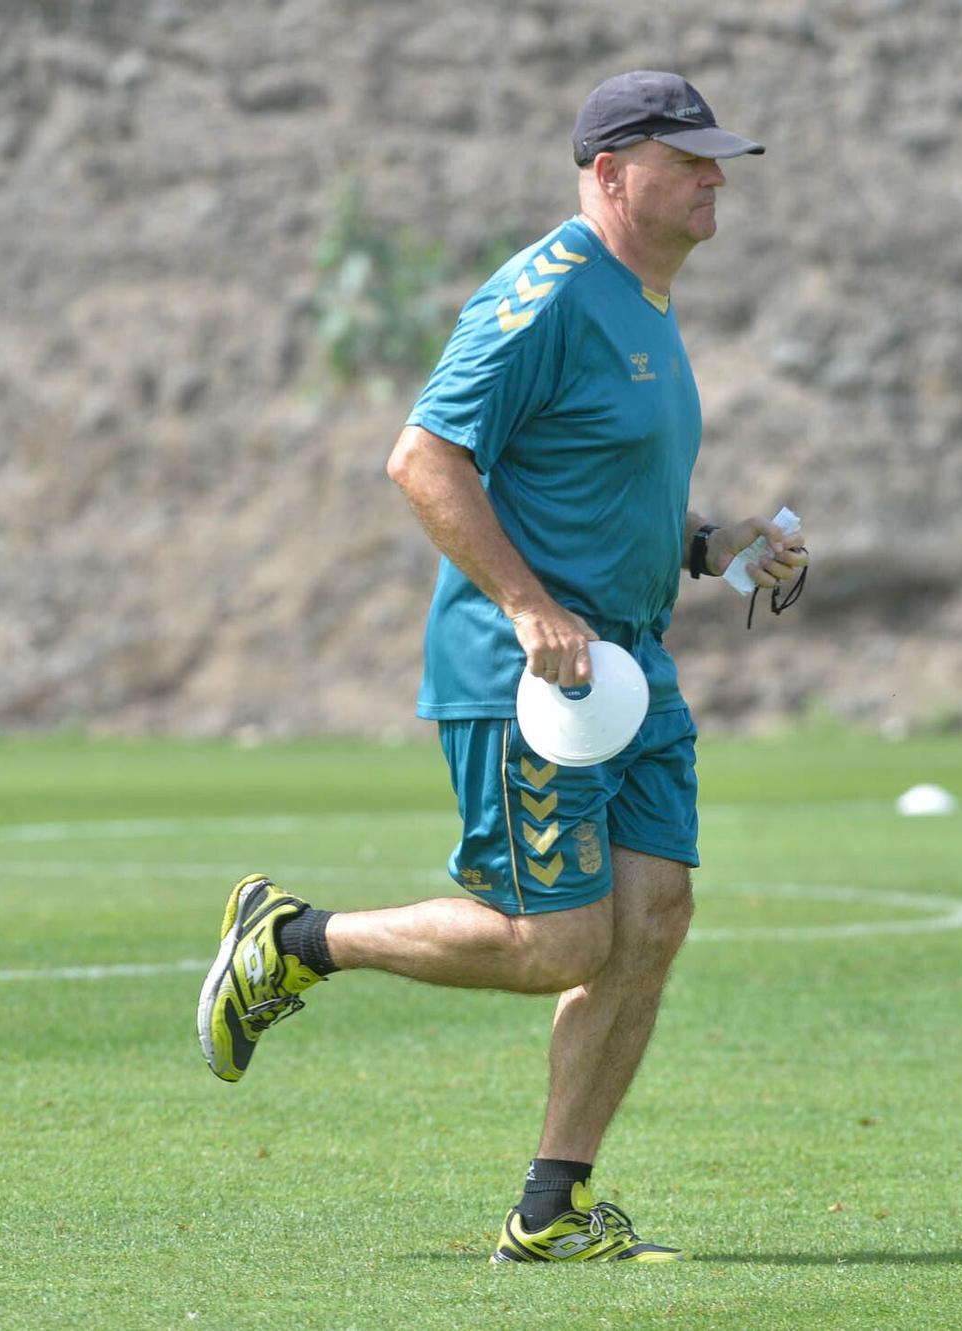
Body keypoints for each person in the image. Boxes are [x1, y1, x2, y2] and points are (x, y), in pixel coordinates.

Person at [196, 70, 808, 1263]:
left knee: (656, 915)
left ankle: (551, 1208)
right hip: (531, 674)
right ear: (609, 172)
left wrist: (711, 544)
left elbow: (583, 481)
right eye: (688, 160)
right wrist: (527, 606)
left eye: (715, 158)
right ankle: (291, 939)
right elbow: (424, 458)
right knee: (558, 941)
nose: (713, 177)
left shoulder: (646, 300)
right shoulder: (542, 296)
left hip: (632, 662)